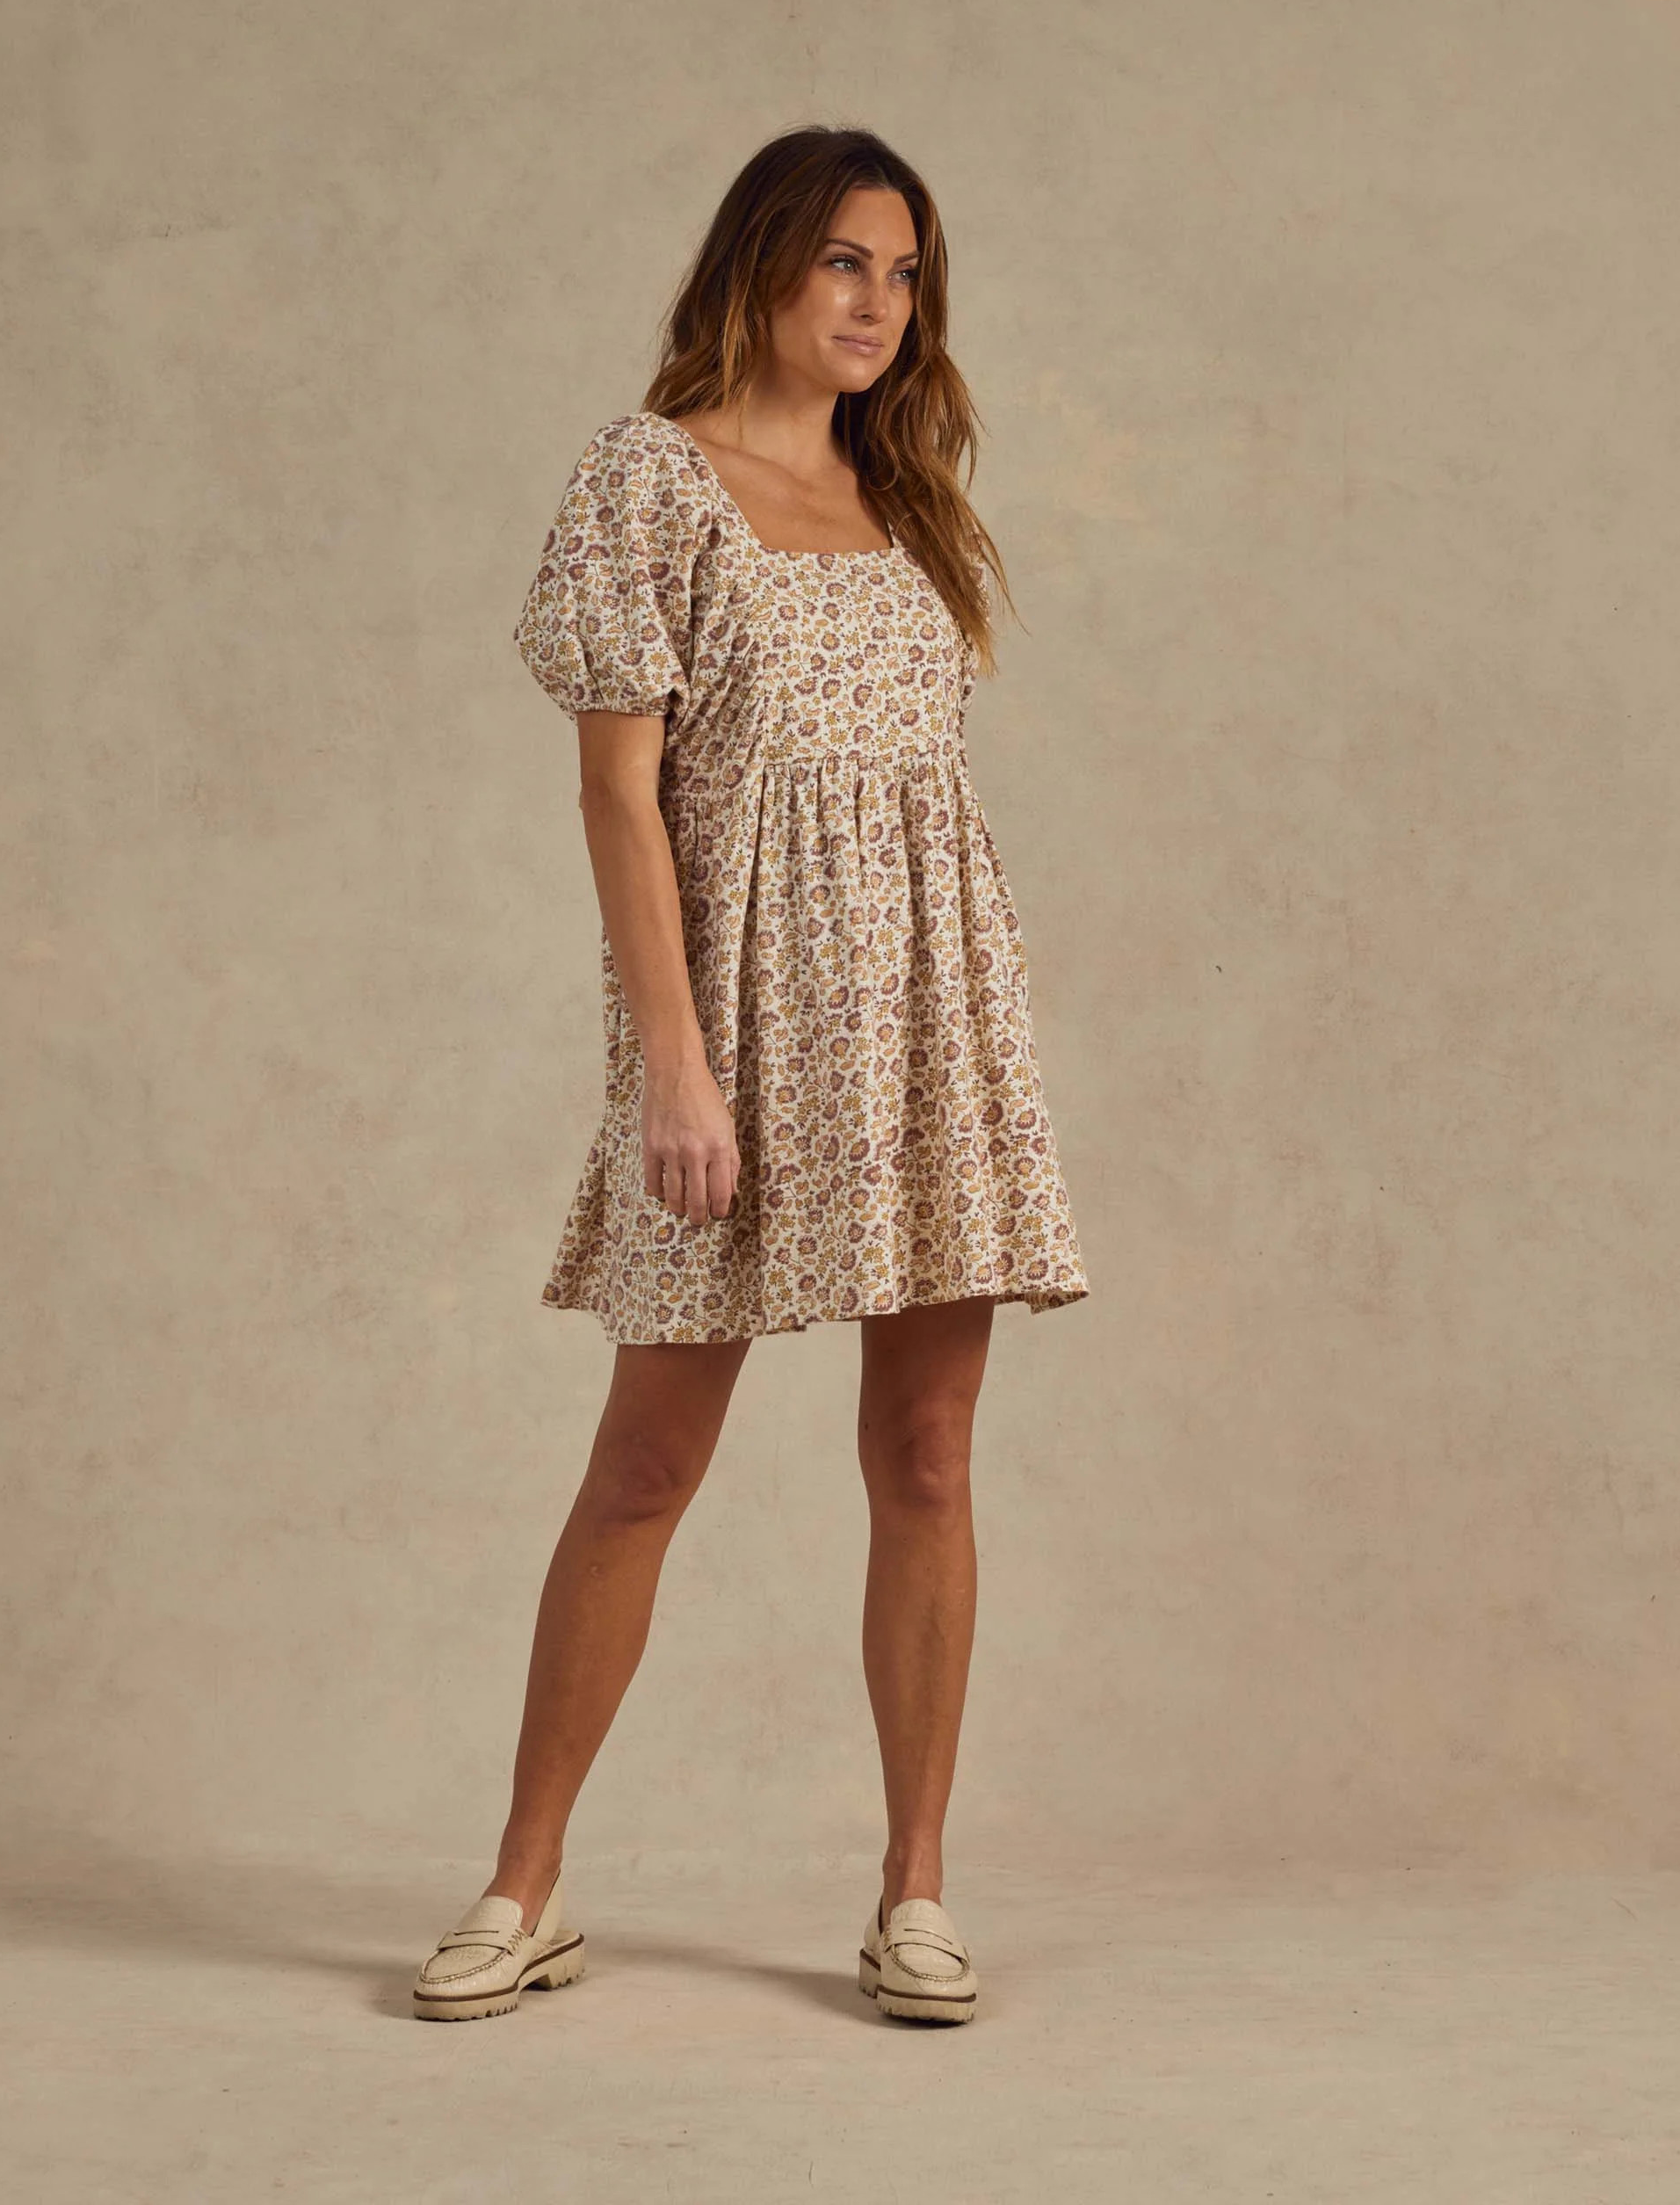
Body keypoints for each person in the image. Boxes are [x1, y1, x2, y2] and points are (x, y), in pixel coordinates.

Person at [413, 125, 1090, 2027]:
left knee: (929, 1454)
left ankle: (915, 1891)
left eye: (907, 273)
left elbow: (921, 801)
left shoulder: (905, 493)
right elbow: (618, 799)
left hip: (931, 1023)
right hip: (732, 1027)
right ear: (762, 264)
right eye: (846, 263)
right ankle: (522, 1883)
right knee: (646, 1462)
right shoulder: (648, 477)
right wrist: (675, 1073)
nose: (880, 304)